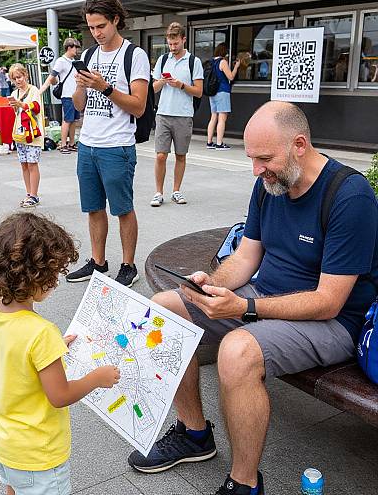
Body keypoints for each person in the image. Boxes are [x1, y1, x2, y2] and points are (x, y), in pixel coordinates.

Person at [127, 101, 378, 495]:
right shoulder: (271, 184)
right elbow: (245, 256)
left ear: (299, 144)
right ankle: (194, 435)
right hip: (265, 296)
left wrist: (245, 307)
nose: (256, 170)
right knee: (164, 310)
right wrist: (211, 285)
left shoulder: (350, 197)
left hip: (331, 322)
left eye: (264, 158)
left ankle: (245, 482)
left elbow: (329, 301)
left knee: (236, 350)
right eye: (251, 159)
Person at [0, 212, 120, 495]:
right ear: (35, 275)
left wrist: (52, 352)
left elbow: (15, 355)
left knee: (12, 488)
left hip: (4, 439)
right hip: (37, 452)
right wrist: (96, 378)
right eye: (53, 274)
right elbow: (60, 396)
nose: (56, 281)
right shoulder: (41, 332)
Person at [67, 0, 149, 288]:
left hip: (117, 146)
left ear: (116, 19)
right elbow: (79, 106)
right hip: (88, 144)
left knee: (123, 209)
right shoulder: (88, 55)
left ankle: (128, 265)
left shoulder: (134, 55)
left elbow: (138, 106)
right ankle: (98, 262)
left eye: (101, 25)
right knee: (93, 208)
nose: (96, 33)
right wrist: (80, 85)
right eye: (91, 27)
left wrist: (104, 87)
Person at [150, 22, 203, 208]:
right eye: (170, 44)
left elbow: (199, 91)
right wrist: (163, 81)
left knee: (180, 155)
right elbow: (153, 89)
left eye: (176, 44)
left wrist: (180, 85)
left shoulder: (193, 62)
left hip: (183, 115)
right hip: (163, 113)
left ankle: (176, 190)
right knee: (160, 156)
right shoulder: (163, 60)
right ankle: (158, 192)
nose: (172, 48)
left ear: (183, 40)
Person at [8, 63, 44, 208]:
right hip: (21, 132)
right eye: (15, 78)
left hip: (33, 133)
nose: (18, 80)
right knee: (24, 164)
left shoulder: (33, 90)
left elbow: (36, 107)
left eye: (20, 77)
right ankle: (28, 193)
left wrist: (20, 104)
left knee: (32, 163)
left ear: (26, 76)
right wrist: (15, 105)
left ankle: (34, 195)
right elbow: (16, 114)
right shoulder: (14, 93)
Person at [40, 38, 81, 154]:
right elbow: (51, 76)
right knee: (67, 120)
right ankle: (63, 144)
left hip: (75, 95)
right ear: (69, 47)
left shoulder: (74, 61)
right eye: (75, 47)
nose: (77, 50)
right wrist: (41, 90)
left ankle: (72, 143)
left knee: (74, 120)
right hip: (67, 95)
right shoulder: (61, 61)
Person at [206, 43, 240, 151]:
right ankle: (219, 143)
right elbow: (230, 76)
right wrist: (236, 67)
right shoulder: (222, 62)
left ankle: (209, 142)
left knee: (213, 117)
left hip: (212, 92)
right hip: (222, 92)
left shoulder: (211, 62)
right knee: (222, 118)